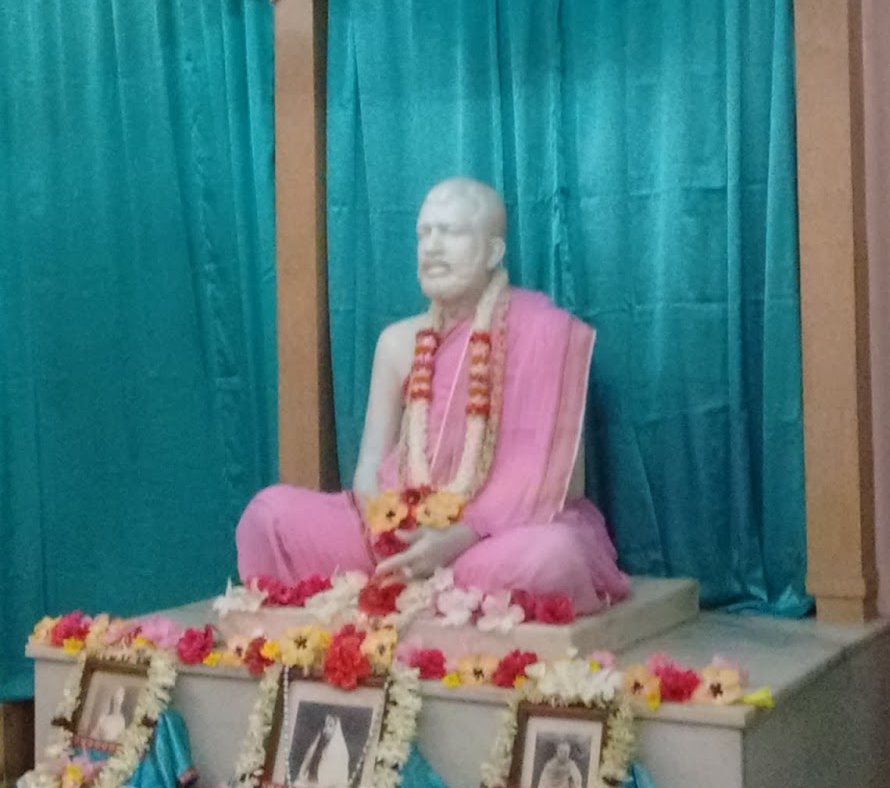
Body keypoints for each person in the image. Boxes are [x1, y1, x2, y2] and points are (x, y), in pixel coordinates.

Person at [237, 178, 629, 615]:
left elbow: (563, 487)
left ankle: (430, 588)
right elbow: (370, 464)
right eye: (424, 233)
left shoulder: (545, 332)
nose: (433, 246)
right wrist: (385, 526)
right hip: (396, 532)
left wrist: (462, 534)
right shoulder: (398, 341)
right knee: (268, 515)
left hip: (492, 539)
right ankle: (420, 583)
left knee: (552, 558)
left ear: (493, 252)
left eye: (452, 232)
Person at [294, 713, 351, 788]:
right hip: (316, 783)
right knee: (297, 785)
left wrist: (317, 785)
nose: (326, 729)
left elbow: (334, 778)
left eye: (330, 726)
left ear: (336, 729)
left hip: (329, 786)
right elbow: (308, 762)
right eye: (325, 726)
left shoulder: (338, 748)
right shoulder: (321, 744)